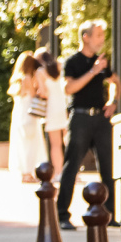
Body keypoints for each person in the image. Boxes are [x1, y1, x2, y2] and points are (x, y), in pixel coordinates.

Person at [57, 20, 120, 230]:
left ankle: (109, 214)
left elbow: (116, 81)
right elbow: (69, 88)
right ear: (86, 36)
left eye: (102, 35)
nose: (102, 40)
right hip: (80, 118)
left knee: (107, 166)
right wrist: (93, 72)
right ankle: (62, 215)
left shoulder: (101, 62)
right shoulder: (73, 61)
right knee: (72, 165)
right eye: (98, 35)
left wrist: (113, 101)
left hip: (101, 119)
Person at [8, 52, 45, 183]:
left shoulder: (16, 80)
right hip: (29, 116)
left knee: (22, 144)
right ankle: (28, 173)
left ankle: (25, 172)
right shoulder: (28, 79)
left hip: (19, 116)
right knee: (31, 144)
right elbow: (34, 95)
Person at [35, 48, 68, 179]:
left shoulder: (40, 72)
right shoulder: (60, 65)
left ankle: (59, 173)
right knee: (68, 141)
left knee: (56, 144)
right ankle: (74, 173)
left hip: (52, 108)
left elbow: (44, 93)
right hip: (64, 105)